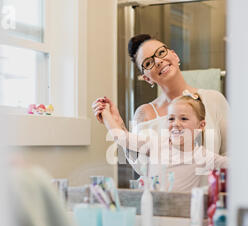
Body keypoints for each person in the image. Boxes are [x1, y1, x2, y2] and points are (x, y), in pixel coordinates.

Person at [92, 34, 229, 175]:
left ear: (174, 55)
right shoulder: (144, 113)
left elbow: (231, 154)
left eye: (161, 52)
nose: (158, 61)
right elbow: (142, 168)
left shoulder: (213, 99)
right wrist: (118, 123)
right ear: (147, 78)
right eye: (148, 63)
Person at [98, 91, 227, 192]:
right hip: (154, 213)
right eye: (171, 119)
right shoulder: (156, 145)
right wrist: (106, 113)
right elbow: (122, 137)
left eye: (183, 118)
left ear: (201, 125)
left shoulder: (203, 156)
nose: (176, 124)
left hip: (182, 217)